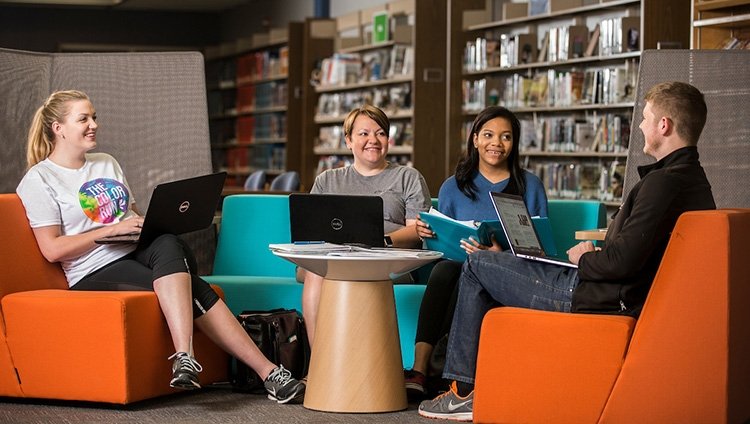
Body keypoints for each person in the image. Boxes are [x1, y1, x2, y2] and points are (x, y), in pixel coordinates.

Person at [418, 81, 717, 421]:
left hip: (592, 294)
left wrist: (585, 256)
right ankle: (491, 380)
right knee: (489, 265)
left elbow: (622, 262)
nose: (640, 126)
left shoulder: (662, 184)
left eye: (646, 118)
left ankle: (463, 392)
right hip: (609, 290)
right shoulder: (695, 181)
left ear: (664, 125)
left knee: (476, 264)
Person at [16, 90, 305, 404]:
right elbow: (52, 249)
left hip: (134, 248)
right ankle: (265, 373)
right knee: (193, 287)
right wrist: (111, 231)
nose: (93, 125)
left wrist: (148, 222)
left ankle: (187, 357)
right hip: (92, 268)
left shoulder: (106, 163)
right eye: (83, 118)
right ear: (58, 128)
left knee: (167, 240)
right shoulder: (40, 179)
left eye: (94, 117)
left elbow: (132, 213)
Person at [404, 106, 548, 398]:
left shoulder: (530, 186)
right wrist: (428, 233)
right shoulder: (453, 186)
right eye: (489, 135)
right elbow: (440, 240)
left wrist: (497, 254)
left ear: (514, 143)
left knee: (473, 272)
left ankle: (442, 368)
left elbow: (539, 249)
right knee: (449, 270)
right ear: (475, 140)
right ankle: (421, 368)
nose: (497, 143)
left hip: (508, 272)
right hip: (453, 266)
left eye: (506, 137)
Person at [300, 104, 431, 347]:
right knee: (315, 272)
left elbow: (417, 232)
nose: (373, 140)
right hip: (335, 259)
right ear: (348, 141)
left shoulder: (408, 177)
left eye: (381, 133)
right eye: (364, 134)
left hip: (387, 260)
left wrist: (382, 241)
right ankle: (320, 362)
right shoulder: (327, 180)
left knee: (328, 274)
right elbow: (310, 234)